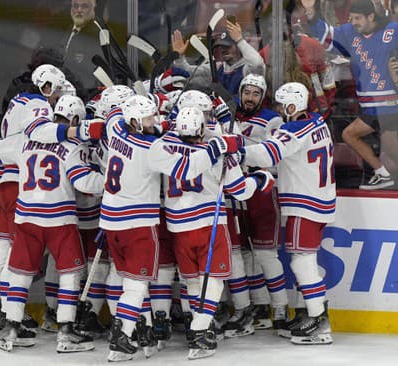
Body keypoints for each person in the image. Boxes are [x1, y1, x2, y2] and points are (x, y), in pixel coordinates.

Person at [97, 95, 241, 362]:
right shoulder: (152, 149)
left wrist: (156, 98)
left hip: (109, 220)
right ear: (136, 122)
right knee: (137, 285)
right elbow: (187, 168)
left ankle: (128, 337)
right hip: (137, 224)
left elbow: (118, 111)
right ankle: (126, 335)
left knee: (128, 281)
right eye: (150, 118)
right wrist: (218, 146)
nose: (156, 122)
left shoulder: (115, 127)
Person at [0, 93, 105, 353]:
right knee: (70, 273)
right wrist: (112, 182)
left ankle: (10, 327)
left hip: (27, 217)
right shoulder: (73, 145)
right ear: (75, 119)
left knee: (20, 273)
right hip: (59, 220)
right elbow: (83, 183)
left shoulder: (23, 140)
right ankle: (65, 332)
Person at [162, 106, 274, 358]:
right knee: (212, 280)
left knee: (192, 281)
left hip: (178, 227)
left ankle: (197, 325)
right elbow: (240, 190)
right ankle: (201, 332)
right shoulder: (216, 153)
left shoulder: (165, 149)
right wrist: (259, 179)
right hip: (207, 224)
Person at [301, 0, 398, 190]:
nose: (354, 22)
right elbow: (327, 36)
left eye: (358, 18)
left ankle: (381, 174)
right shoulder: (350, 32)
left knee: (349, 134)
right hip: (373, 104)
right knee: (392, 148)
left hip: (386, 104)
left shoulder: (393, 31)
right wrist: (311, 12)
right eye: (352, 18)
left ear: (371, 16)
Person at [241, 82, 336, 345]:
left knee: (301, 262)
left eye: (283, 105)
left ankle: (319, 322)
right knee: (305, 259)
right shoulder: (317, 121)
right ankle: (309, 310)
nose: (281, 110)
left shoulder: (294, 129)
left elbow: (268, 155)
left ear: (293, 105)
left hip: (305, 203)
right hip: (320, 200)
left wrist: (237, 150)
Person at [233, 74, 289, 330]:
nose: (250, 97)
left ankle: (279, 307)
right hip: (237, 190)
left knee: (266, 254)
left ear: (262, 95)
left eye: (256, 93)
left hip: (264, 189)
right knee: (246, 255)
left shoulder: (272, 119)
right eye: (247, 92)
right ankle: (259, 306)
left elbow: (275, 156)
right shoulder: (231, 116)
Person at [172, 17, 265, 97]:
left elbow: (258, 64)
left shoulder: (247, 69)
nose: (223, 50)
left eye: (228, 46)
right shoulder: (217, 68)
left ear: (238, 46)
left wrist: (240, 40)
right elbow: (187, 75)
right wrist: (179, 57)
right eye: (221, 46)